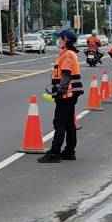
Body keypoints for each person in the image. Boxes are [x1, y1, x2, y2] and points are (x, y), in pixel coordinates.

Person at [41, 29, 83, 162]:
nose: (58, 40)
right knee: (69, 123)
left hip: (67, 95)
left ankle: (54, 153)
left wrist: (59, 91)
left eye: (60, 38)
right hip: (69, 94)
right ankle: (69, 151)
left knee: (59, 123)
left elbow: (66, 75)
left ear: (66, 40)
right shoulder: (67, 53)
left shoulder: (68, 55)